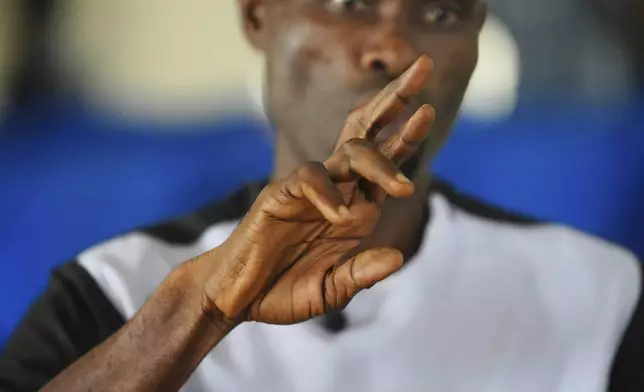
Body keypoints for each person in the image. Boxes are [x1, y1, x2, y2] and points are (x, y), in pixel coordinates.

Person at [1, 1, 642, 391]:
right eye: (346, 0)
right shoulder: (116, 292)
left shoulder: (600, 294)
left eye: (442, 12)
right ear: (257, 13)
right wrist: (201, 312)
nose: (391, 47)